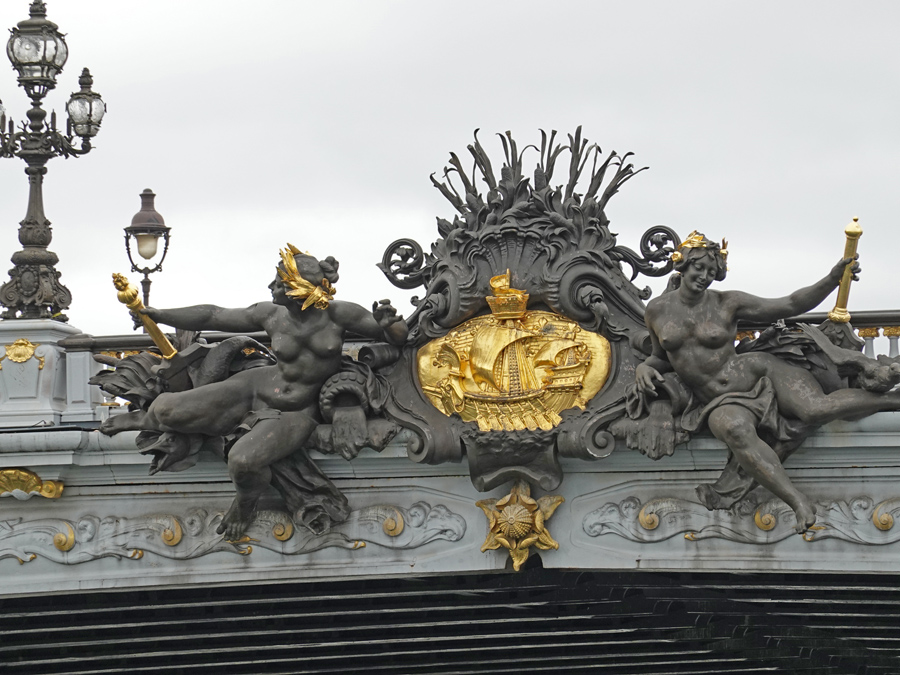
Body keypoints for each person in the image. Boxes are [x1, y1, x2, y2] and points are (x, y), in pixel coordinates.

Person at [101, 245, 407, 539]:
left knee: (244, 463)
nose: (270, 286)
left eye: (277, 281)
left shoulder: (340, 315)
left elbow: (397, 337)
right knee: (166, 409)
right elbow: (213, 315)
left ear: (295, 287)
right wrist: (156, 314)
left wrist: (389, 325)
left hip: (298, 410)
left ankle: (245, 505)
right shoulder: (271, 315)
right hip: (256, 386)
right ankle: (145, 418)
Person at [635, 231, 900, 533]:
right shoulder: (656, 309)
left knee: (814, 410)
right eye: (699, 268)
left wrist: (832, 279)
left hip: (756, 372)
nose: (705, 276)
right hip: (718, 400)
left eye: (711, 271)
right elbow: (660, 355)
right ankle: (797, 501)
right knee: (734, 429)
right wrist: (644, 368)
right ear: (682, 265)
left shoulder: (727, 303)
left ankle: (894, 401)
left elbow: (790, 304)